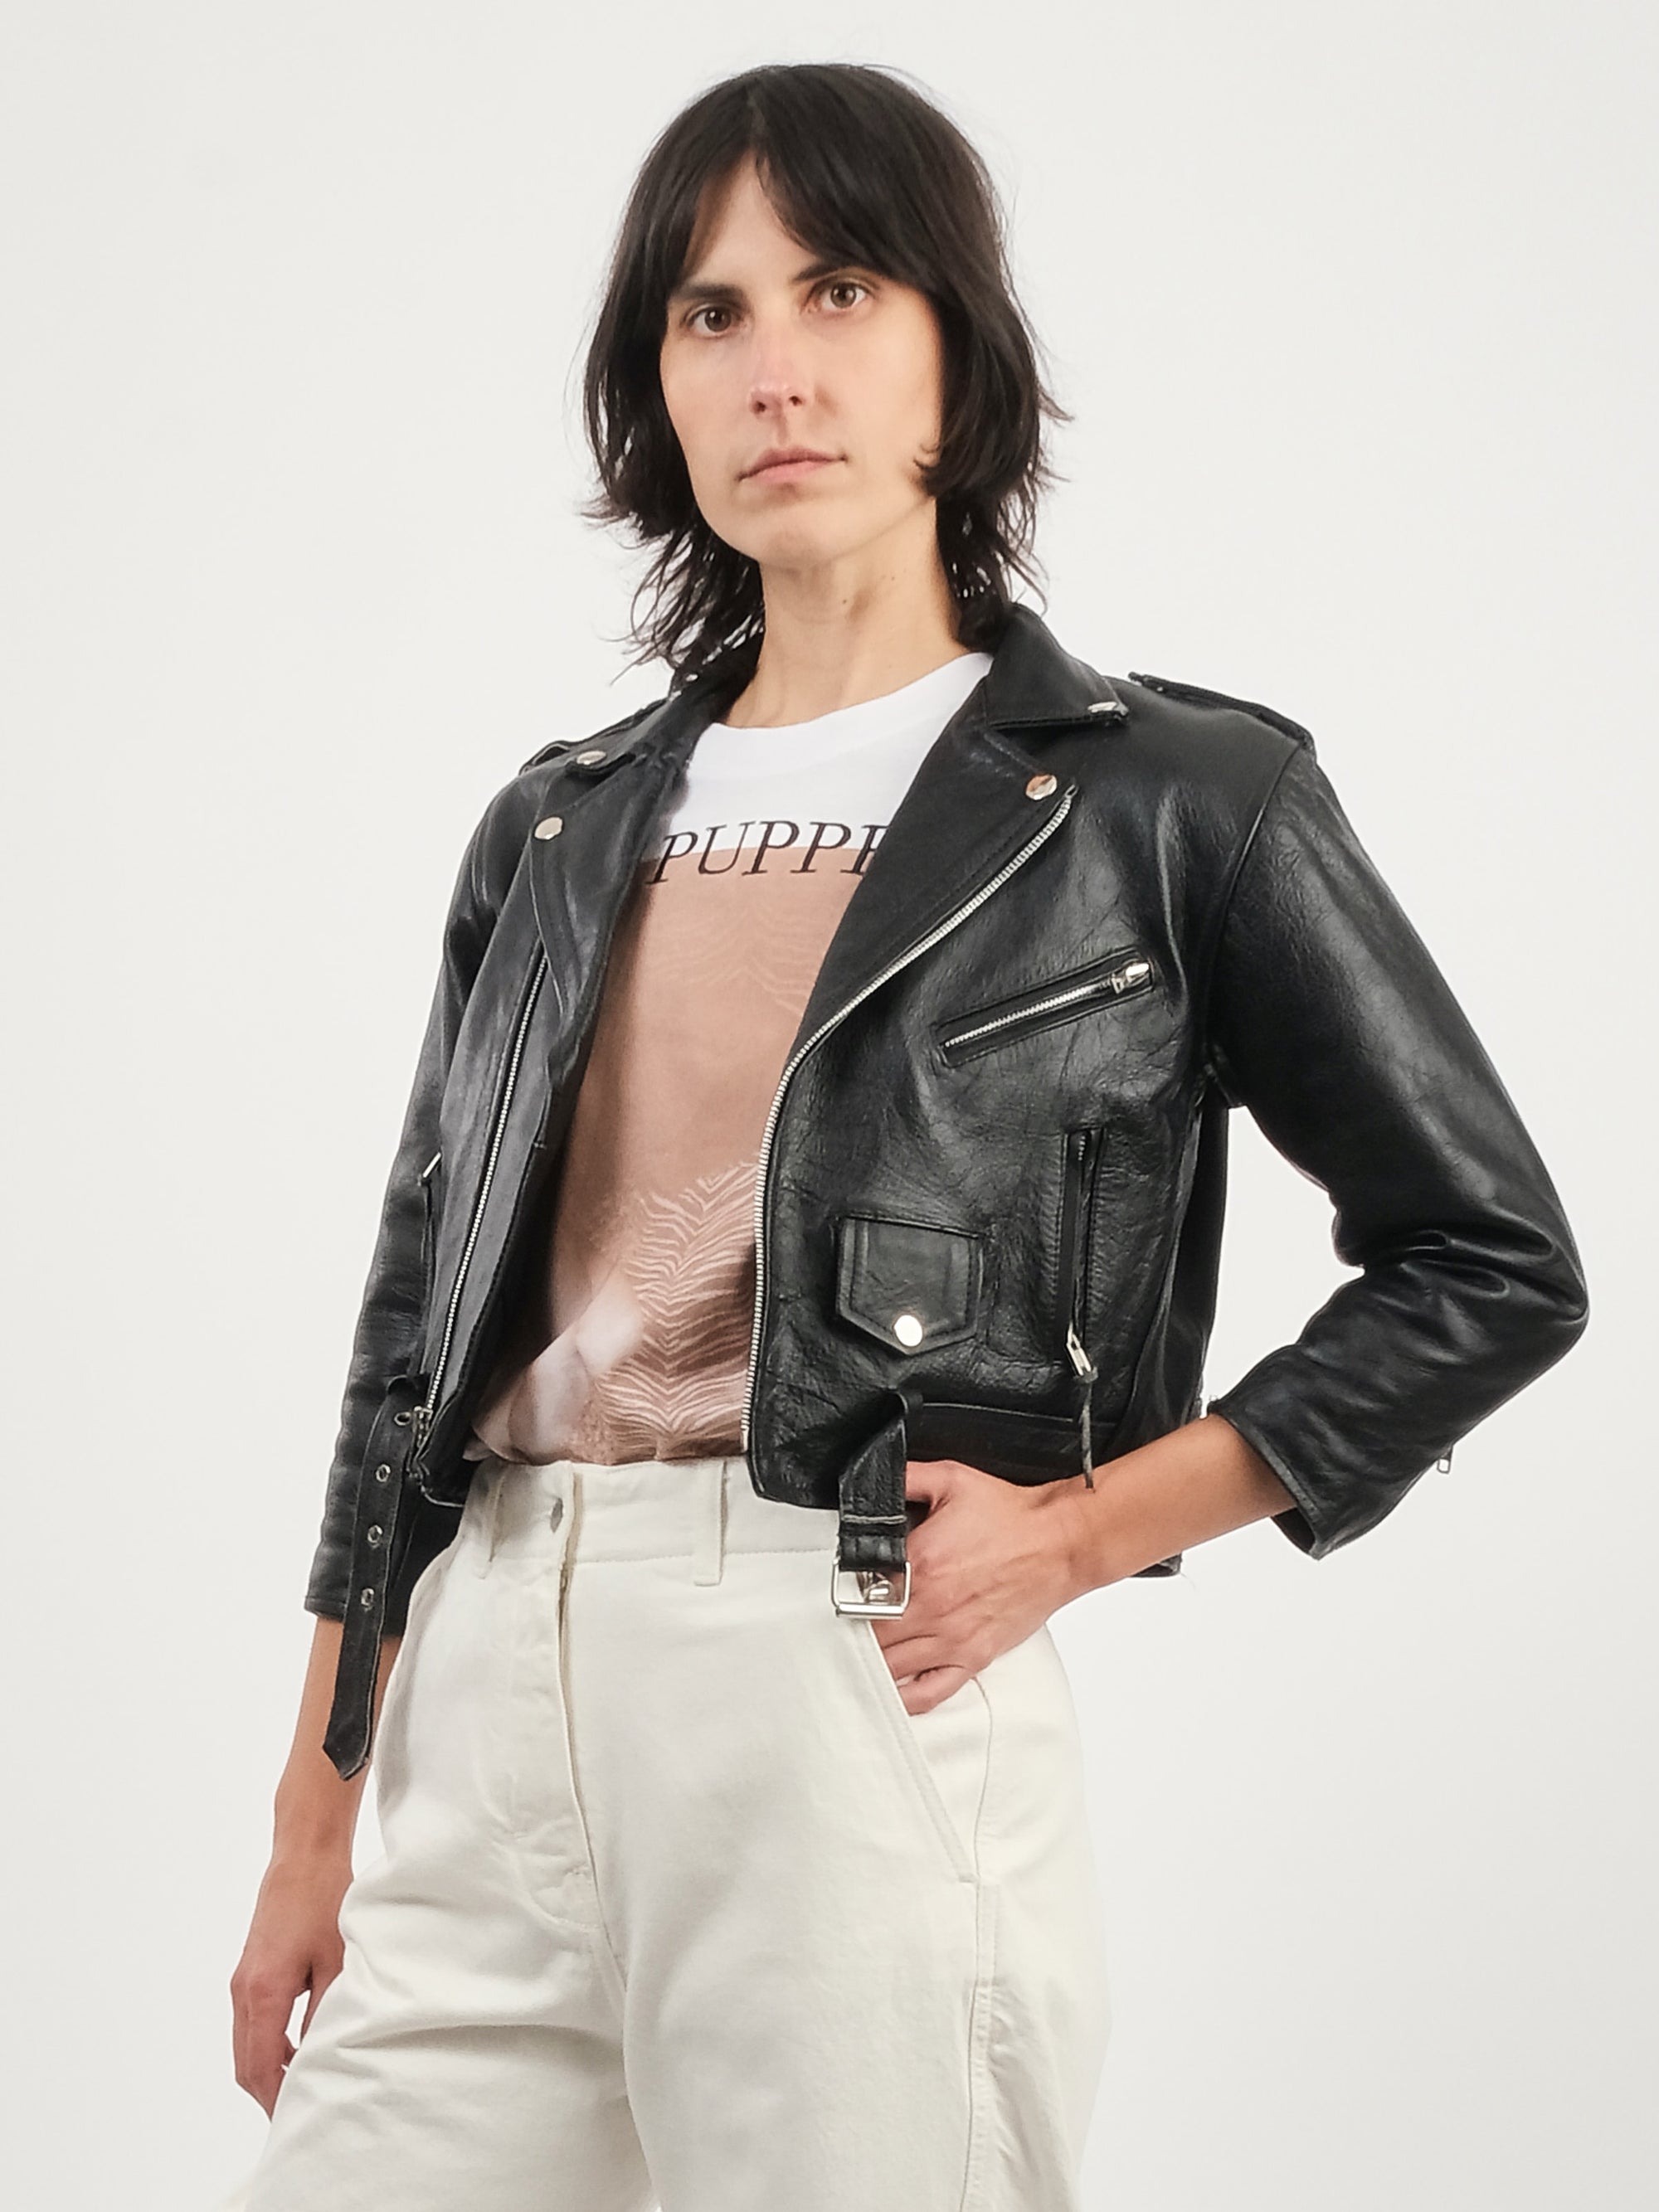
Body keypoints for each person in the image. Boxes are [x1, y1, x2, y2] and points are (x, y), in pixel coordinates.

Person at [226, 60, 1588, 2212]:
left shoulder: (1174, 805)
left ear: (960, 347)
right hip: (488, 1696)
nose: (777, 366)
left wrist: (1084, 1529)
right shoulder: (556, 826)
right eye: (712, 311)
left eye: (841, 289)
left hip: (844, 1678)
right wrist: (316, 1823)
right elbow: (415, 1345)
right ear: (656, 387)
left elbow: (1489, 1258)